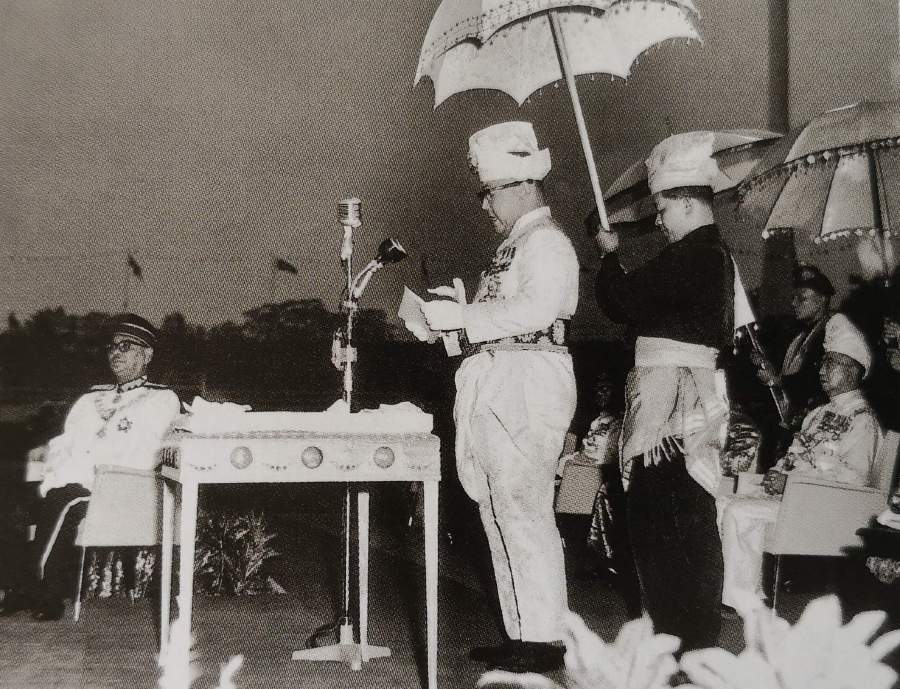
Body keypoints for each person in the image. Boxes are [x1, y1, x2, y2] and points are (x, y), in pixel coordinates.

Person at [419, 121, 578, 673]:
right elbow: (499, 319)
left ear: (519, 186)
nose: (485, 206)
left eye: (488, 194)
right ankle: (520, 632)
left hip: (528, 385)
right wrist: (452, 317)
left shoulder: (548, 243)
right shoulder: (512, 248)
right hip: (495, 380)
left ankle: (546, 638)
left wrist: (465, 316)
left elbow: (535, 313)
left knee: (524, 508)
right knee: (495, 510)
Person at [594, 131, 734, 652]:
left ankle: (686, 636)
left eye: (663, 207)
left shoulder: (698, 253)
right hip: (671, 393)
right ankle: (680, 633)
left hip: (674, 403)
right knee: (674, 517)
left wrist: (609, 256)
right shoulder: (703, 254)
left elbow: (626, 300)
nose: (658, 219)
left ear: (688, 203)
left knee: (669, 518)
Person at [0, 314, 180, 621]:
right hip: (79, 482)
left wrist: (94, 469)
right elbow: (68, 441)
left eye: (127, 346)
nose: (116, 352)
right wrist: (53, 462)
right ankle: (29, 588)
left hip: (123, 489)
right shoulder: (91, 398)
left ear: (147, 355)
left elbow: (145, 452)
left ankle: (36, 591)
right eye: (112, 346)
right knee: (21, 500)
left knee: (64, 500)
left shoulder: (160, 399)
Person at [719, 314, 882, 608]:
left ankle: (743, 599)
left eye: (832, 362)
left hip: (822, 508)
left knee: (739, 512)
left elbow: (855, 479)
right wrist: (776, 476)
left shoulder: (863, 420)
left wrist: (790, 483)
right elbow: (796, 455)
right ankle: (747, 587)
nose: (823, 369)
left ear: (854, 371)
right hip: (795, 498)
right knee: (722, 498)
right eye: (824, 362)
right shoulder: (818, 414)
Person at [754, 264, 834, 428]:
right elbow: (793, 372)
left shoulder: (832, 332)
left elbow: (817, 382)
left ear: (822, 300)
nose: (793, 303)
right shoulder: (800, 335)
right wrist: (768, 366)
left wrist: (776, 380)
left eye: (802, 298)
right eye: (793, 297)